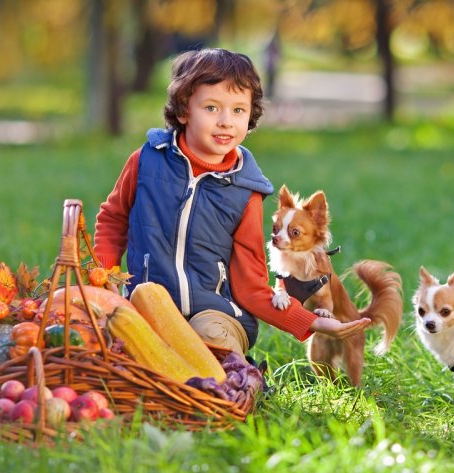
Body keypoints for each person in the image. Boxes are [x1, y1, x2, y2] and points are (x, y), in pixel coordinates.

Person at [93, 48, 369, 355]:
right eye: (211, 108)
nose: (226, 121)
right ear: (183, 111)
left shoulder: (245, 192)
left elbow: (251, 286)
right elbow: (113, 220)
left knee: (209, 338)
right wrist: (104, 277)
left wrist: (310, 321)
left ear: (250, 116)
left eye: (238, 110)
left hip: (217, 314)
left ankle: (225, 374)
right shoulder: (147, 161)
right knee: (122, 346)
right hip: (146, 307)